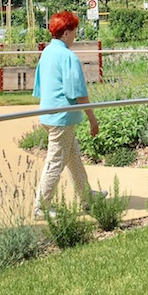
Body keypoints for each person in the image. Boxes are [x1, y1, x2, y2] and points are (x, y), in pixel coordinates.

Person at [33, 11, 101, 216]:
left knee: (73, 158)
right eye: (74, 32)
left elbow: (38, 84)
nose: (75, 36)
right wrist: (92, 118)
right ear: (66, 33)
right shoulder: (68, 56)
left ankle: (87, 197)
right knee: (55, 162)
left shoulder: (47, 52)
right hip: (62, 117)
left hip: (48, 113)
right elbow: (78, 91)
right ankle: (41, 206)